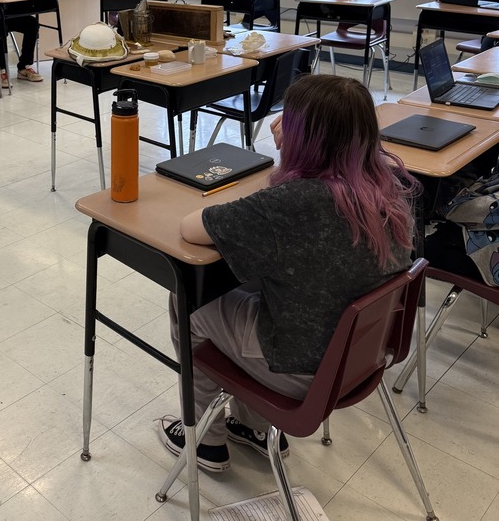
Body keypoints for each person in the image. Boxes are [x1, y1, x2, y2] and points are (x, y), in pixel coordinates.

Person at [159, 75, 417, 473]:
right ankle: (255, 429)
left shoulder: (292, 204)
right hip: (362, 358)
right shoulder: (389, 187)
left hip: (301, 371)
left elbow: (192, 227)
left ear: (301, 138)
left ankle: (204, 442)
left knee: (189, 298)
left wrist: (286, 164)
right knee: (254, 287)